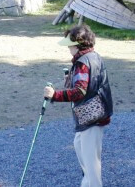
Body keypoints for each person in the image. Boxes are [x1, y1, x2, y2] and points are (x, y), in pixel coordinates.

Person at [44, 25, 113, 187]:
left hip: (90, 117)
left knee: (91, 165)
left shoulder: (82, 62)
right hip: (94, 115)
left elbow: (79, 92)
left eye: (70, 44)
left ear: (78, 45)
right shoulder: (93, 56)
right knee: (82, 150)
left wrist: (54, 95)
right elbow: (87, 85)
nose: (68, 48)